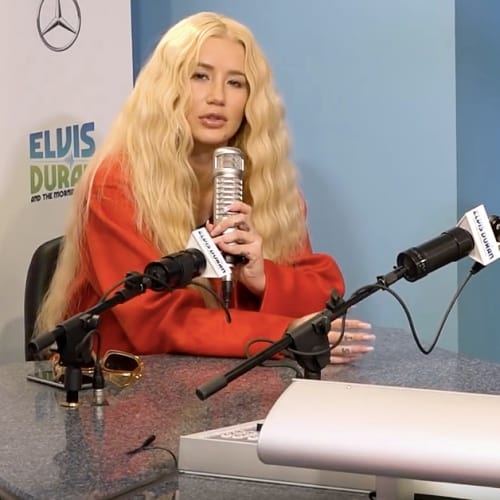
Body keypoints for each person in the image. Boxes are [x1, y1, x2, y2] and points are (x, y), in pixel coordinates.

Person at [35, 11, 375, 363]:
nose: (217, 97)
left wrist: (262, 277)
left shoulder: (265, 183)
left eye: (236, 83)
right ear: (167, 88)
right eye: (200, 76)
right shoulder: (116, 183)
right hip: (127, 378)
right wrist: (283, 336)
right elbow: (156, 322)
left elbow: (323, 294)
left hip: (233, 372)